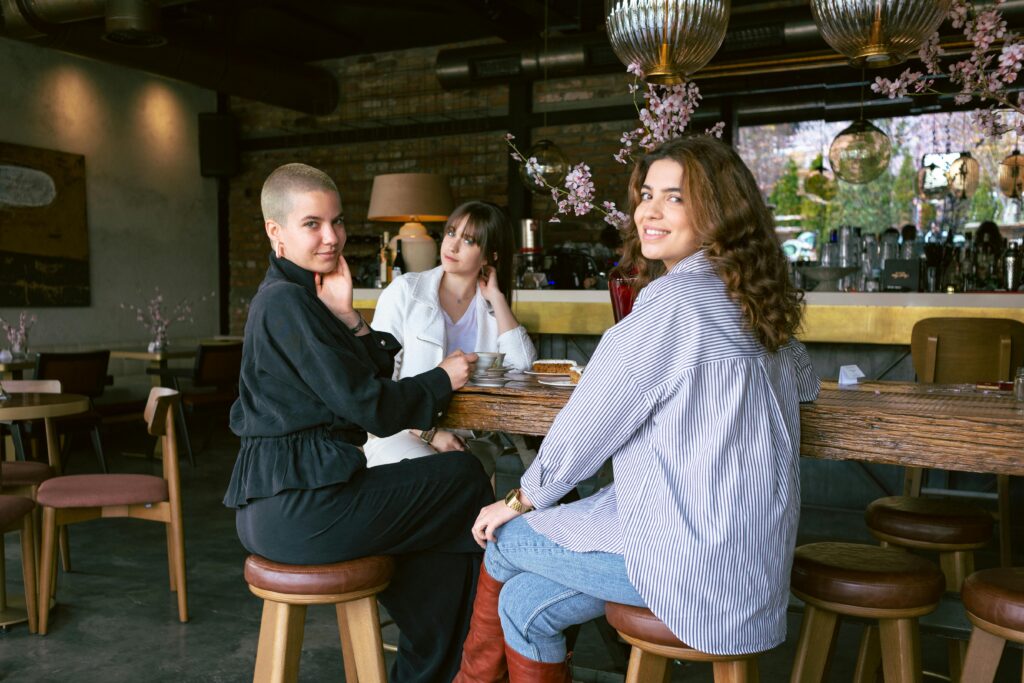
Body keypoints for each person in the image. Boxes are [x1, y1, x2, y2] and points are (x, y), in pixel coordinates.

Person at [453, 135, 820, 682]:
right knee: (523, 603)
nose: (649, 210)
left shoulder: (669, 306)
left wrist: (517, 498)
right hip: (751, 567)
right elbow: (807, 385)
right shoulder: (752, 300)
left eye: (675, 197)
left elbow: (587, 427)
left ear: (719, 212)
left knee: (501, 539)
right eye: (647, 194)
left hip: (687, 567)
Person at [223, 163, 494, 683]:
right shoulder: (285, 302)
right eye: (312, 224)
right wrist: (441, 378)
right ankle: (455, 666)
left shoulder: (304, 298)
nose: (331, 237)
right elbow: (372, 408)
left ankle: (438, 665)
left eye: (337, 221)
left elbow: (362, 383)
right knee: (461, 479)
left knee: (437, 512)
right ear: (274, 231)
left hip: (292, 504)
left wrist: (349, 317)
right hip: (299, 511)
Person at [366, 200, 536, 467]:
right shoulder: (404, 292)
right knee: (439, 475)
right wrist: (429, 433)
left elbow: (521, 367)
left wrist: (497, 297)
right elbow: (380, 381)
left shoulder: (491, 308)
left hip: (470, 439)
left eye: (469, 241)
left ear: (490, 255)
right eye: (451, 232)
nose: (452, 246)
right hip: (402, 433)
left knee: (462, 472)